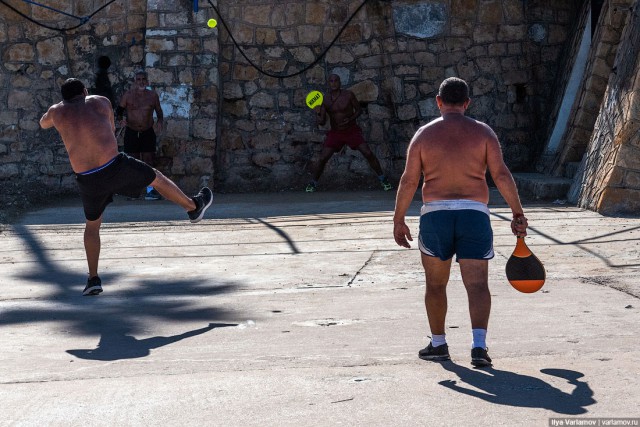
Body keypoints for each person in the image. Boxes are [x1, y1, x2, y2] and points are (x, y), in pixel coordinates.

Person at [392, 77, 528, 367]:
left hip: (436, 215)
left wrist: (398, 219)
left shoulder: (423, 135)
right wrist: (517, 212)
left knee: (435, 285)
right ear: (467, 103)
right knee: (477, 284)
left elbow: (409, 180)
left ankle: (439, 344)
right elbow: (501, 175)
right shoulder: (483, 133)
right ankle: (479, 347)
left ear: (438, 102)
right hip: (473, 214)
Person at [40, 78, 213, 296]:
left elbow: (43, 122)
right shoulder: (100, 101)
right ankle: (193, 207)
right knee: (156, 178)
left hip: (87, 178)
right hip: (114, 166)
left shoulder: (57, 112)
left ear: (64, 98)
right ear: (85, 91)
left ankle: (93, 279)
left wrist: (59, 111)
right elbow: (110, 128)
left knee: (92, 226)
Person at [305, 74, 392, 192]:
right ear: (328, 83)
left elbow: (359, 110)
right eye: (331, 81)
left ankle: (383, 180)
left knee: (368, 153)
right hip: (336, 133)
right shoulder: (325, 99)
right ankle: (312, 183)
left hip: (351, 131)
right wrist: (317, 112)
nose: (334, 83)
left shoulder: (348, 95)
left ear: (340, 82)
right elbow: (322, 122)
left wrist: (350, 119)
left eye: (336, 80)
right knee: (322, 158)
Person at [116, 70, 164, 200]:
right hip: (131, 131)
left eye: (143, 79)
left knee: (149, 161)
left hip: (147, 131)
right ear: (134, 81)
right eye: (138, 79)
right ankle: (133, 191)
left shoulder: (153, 96)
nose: (141, 81)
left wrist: (160, 121)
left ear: (147, 81)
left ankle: (150, 190)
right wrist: (120, 119)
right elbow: (119, 111)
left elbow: (159, 112)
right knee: (132, 162)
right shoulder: (128, 95)